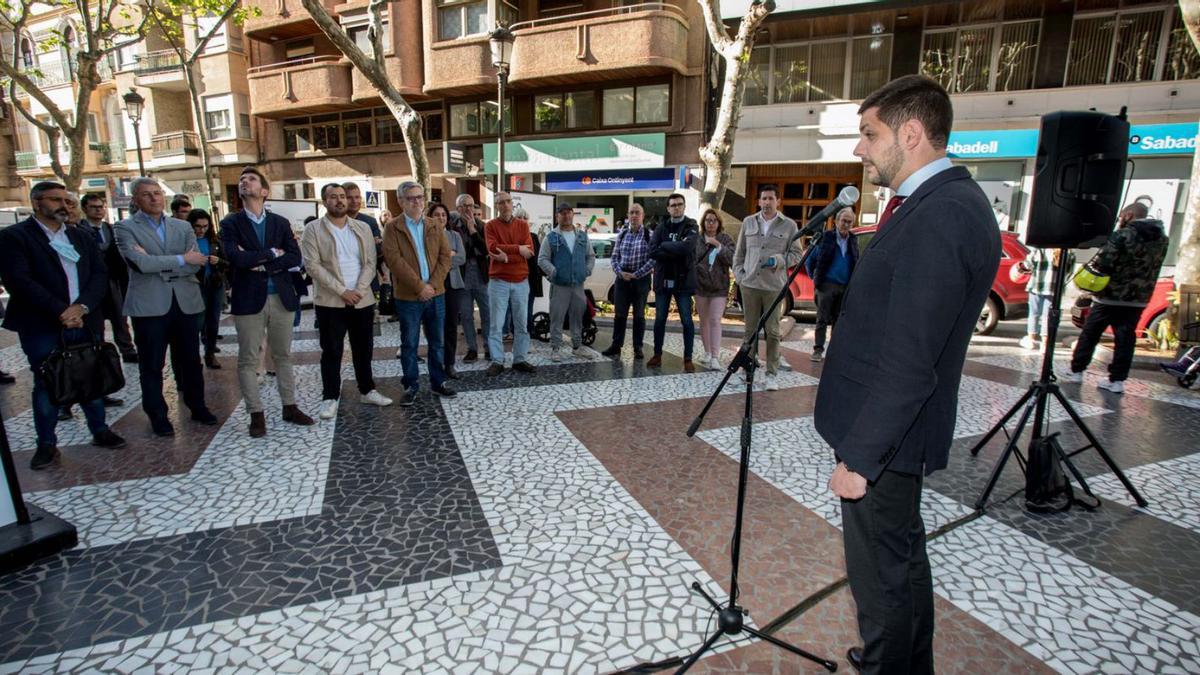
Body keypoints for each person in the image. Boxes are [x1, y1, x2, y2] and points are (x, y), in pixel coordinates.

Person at [814, 75, 1000, 674]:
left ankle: (887, 665)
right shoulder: (929, 203)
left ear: (911, 133)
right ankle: (903, 660)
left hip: (886, 437)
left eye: (869, 134)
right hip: (888, 429)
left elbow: (911, 358)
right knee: (902, 555)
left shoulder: (943, 213)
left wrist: (860, 458)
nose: (859, 149)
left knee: (881, 572)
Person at [0, 181, 127, 470]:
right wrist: (62, 310)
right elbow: (19, 281)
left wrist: (81, 307)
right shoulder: (15, 237)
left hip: (84, 317)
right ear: (37, 203)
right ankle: (46, 444)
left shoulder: (79, 236)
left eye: (67, 201)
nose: (64, 205)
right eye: (56, 200)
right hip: (43, 323)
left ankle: (99, 430)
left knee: (90, 375)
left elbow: (99, 274)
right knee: (47, 380)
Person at [114, 177, 218, 437]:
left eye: (157, 193)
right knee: (151, 365)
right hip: (150, 306)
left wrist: (158, 262)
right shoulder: (124, 228)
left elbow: (197, 263)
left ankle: (198, 406)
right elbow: (139, 264)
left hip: (185, 302)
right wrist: (181, 260)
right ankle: (158, 415)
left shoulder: (182, 227)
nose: (154, 198)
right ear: (136, 200)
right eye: (146, 194)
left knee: (191, 361)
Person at [220, 166, 315, 437]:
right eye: (241, 179)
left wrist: (259, 262)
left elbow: (294, 257)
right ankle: (256, 413)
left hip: (281, 296)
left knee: (283, 355)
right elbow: (234, 258)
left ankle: (290, 406)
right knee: (248, 358)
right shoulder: (231, 223)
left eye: (250, 179)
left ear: (264, 191)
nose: (243, 182)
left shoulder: (280, 223)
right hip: (248, 299)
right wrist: (272, 253)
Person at [302, 183, 393, 420]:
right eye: (334, 197)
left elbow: (370, 263)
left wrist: (359, 290)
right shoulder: (313, 229)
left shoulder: (362, 227)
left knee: (364, 348)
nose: (340, 201)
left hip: (361, 300)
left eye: (342, 196)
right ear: (325, 202)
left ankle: (367, 389)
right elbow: (312, 265)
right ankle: (330, 397)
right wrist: (342, 291)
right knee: (331, 350)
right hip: (330, 302)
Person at [1061, 202, 1168, 394]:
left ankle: (1076, 370)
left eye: (1121, 216)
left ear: (1128, 215)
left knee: (1091, 333)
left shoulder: (1122, 235)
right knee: (1126, 338)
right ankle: (1117, 380)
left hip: (1110, 295)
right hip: (1139, 297)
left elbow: (1104, 263)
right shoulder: (1162, 239)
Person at [382, 181, 455, 405]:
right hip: (409, 297)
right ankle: (411, 385)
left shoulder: (435, 225)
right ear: (401, 201)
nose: (417, 202)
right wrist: (419, 287)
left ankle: (438, 382)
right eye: (411, 198)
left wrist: (431, 285)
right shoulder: (392, 228)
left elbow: (445, 258)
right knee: (410, 343)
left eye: (420, 197)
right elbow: (395, 262)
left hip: (437, 293)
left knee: (437, 342)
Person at [732, 185, 799, 390]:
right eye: (764, 199)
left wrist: (777, 261)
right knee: (749, 331)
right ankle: (747, 370)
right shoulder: (748, 222)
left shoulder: (789, 226)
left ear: (778, 201)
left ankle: (771, 374)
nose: (767, 202)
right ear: (759, 201)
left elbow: (796, 255)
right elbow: (739, 252)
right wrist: (740, 276)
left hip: (773, 287)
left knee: (772, 331)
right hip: (750, 285)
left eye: (771, 199)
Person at [483, 192, 537, 376]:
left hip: (521, 281)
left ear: (512, 204)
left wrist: (505, 257)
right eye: (501, 203)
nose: (505, 205)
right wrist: (517, 249)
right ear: (496, 206)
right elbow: (491, 248)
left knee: (521, 324)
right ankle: (497, 360)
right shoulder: (490, 226)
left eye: (508, 202)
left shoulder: (522, 225)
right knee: (496, 325)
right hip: (498, 281)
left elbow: (530, 251)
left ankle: (520, 359)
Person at [81, 193, 138, 364]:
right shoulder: (78, 230)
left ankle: (127, 350)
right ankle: (98, 350)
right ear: (85, 209)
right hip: (90, 283)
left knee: (120, 318)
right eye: (94, 207)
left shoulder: (111, 229)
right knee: (95, 320)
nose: (99, 210)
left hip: (113, 280)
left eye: (101, 207)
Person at [647, 193, 699, 371]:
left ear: (684, 207)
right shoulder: (661, 227)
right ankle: (657, 354)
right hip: (663, 281)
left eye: (679, 204)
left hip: (683, 282)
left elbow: (687, 248)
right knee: (660, 319)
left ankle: (688, 358)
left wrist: (665, 245)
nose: (676, 207)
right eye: (673, 205)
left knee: (687, 320)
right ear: (668, 208)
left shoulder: (691, 225)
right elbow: (652, 251)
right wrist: (675, 248)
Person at [538, 203, 595, 361]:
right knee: (557, 317)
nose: (566, 216)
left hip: (578, 285)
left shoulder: (582, 236)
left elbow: (590, 256)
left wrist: (587, 270)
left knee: (577, 316)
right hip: (559, 286)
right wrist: (553, 271)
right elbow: (542, 259)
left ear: (572, 214)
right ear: (557, 216)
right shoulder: (551, 237)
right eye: (562, 213)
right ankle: (555, 348)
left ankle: (577, 346)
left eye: (568, 212)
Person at [806, 207, 860, 363]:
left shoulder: (853, 240)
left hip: (844, 286)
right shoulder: (826, 238)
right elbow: (811, 260)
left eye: (849, 222)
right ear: (836, 221)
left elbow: (855, 260)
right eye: (843, 221)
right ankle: (818, 349)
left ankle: (834, 350)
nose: (846, 225)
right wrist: (815, 279)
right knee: (822, 319)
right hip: (826, 285)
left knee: (838, 319)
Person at [602, 203, 655, 359]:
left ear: (642, 216)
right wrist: (620, 272)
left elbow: (654, 259)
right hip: (622, 279)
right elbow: (614, 257)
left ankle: (638, 347)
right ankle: (616, 345)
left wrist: (637, 274)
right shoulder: (622, 234)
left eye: (637, 213)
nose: (634, 215)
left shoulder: (649, 235)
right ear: (628, 215)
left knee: (639, 315)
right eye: (631, 212)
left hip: (641, 279)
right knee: (619, 315)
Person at [448, 194, 490, 362]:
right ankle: (472, 348)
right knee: (466, 315)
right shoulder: (453, 227)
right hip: (462, 275)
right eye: (464, 206)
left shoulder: (481, 226)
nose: (468, 209)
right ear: (458, 209)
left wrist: (473, 231)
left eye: (471, 205)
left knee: (486, 314)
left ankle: (488, 347)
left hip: (480, 275)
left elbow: (485, 249)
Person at [186, 209, 228, 370]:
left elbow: (227, 263)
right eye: (197, 226)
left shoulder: (214, 241)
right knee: (197, 321)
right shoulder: (187, 242)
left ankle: (210, 353)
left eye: (204, 226)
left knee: (212, 321)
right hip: (195, 285)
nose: (201, 230)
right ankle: (192, 356)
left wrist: (218, 261)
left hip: (214, 284)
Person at [694, 208, 735, 369]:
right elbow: (691, 260)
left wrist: (718, 245)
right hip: (700, 286)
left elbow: (732, 258)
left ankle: (715, 356)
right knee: (703, 320)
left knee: (715, 320)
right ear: (703, 223)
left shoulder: (725, 239)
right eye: (708, 220)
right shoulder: (697, 239)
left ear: (719, 223)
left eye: (714, 220)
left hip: (719, 287)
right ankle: (707, 352)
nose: (711, 223)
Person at [429, 202, 465, 379]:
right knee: (435, 326)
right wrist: (448, 256)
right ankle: (436, 363)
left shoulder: (455, 235)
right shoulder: (425, 236)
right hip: (434, 286)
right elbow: (429, 261)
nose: (441, 218)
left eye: (443, 215)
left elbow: (462, 258)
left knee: (451, 326)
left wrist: (443, 261)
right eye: (437, 214)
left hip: (453, 285)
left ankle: (449, 364)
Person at [1018, 246, 1075, 351]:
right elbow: (1070, 272)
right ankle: (1044, 344)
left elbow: (1028, 264)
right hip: (1054, 289)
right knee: (1047, 316)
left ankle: (1031, 340)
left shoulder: (1040, 249)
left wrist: (1020, 266)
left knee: (1034, 313)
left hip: (1036, 286)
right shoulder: (1068, 251)